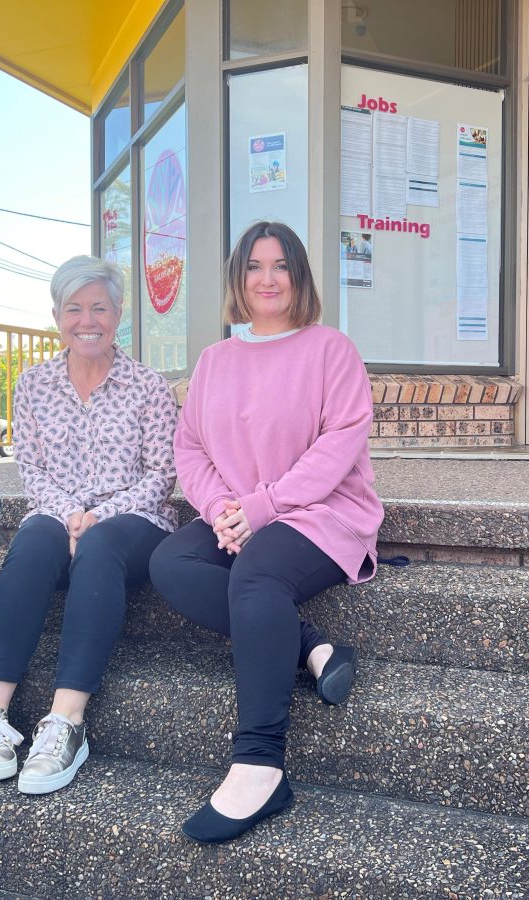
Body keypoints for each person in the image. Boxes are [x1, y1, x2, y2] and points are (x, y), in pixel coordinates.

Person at [149, 221, 383, 844]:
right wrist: (225, 509)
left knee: (256, 577)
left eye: (280, 266)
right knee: (170, 562)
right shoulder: (216, 359)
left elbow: (341, 441)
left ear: (299, 276)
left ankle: (260, 764)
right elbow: (191, 444)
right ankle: (306, 643)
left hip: (320, 513)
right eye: (254, 266)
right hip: (240, 512)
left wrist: (264, 507)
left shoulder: (330, 348)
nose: (268, 278)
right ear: (238, 279)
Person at [0, 256, 177, 796]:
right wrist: (68, 516)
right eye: (74, 308)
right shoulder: (33, 385)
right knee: (32, 545)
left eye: (99, 308)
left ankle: (66, 722)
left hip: (133, 518)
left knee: (102, 543)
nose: (88, 320)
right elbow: (29, 466)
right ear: (57, 315)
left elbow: (162, 472)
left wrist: (97, 517)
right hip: (56, 513)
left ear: (118, 313)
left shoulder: (148, 387)